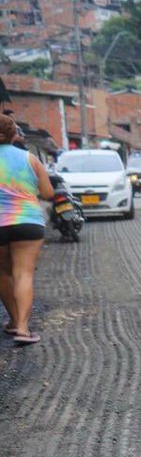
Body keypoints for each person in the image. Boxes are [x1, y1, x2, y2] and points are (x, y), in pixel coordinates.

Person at [0, 114, 53, 346]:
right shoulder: (30, 159)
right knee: (24, 274)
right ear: (14, 135)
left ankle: (14, 322)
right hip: (28, 222)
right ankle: (22, 327)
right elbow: (49, 193)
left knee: (2, 274)